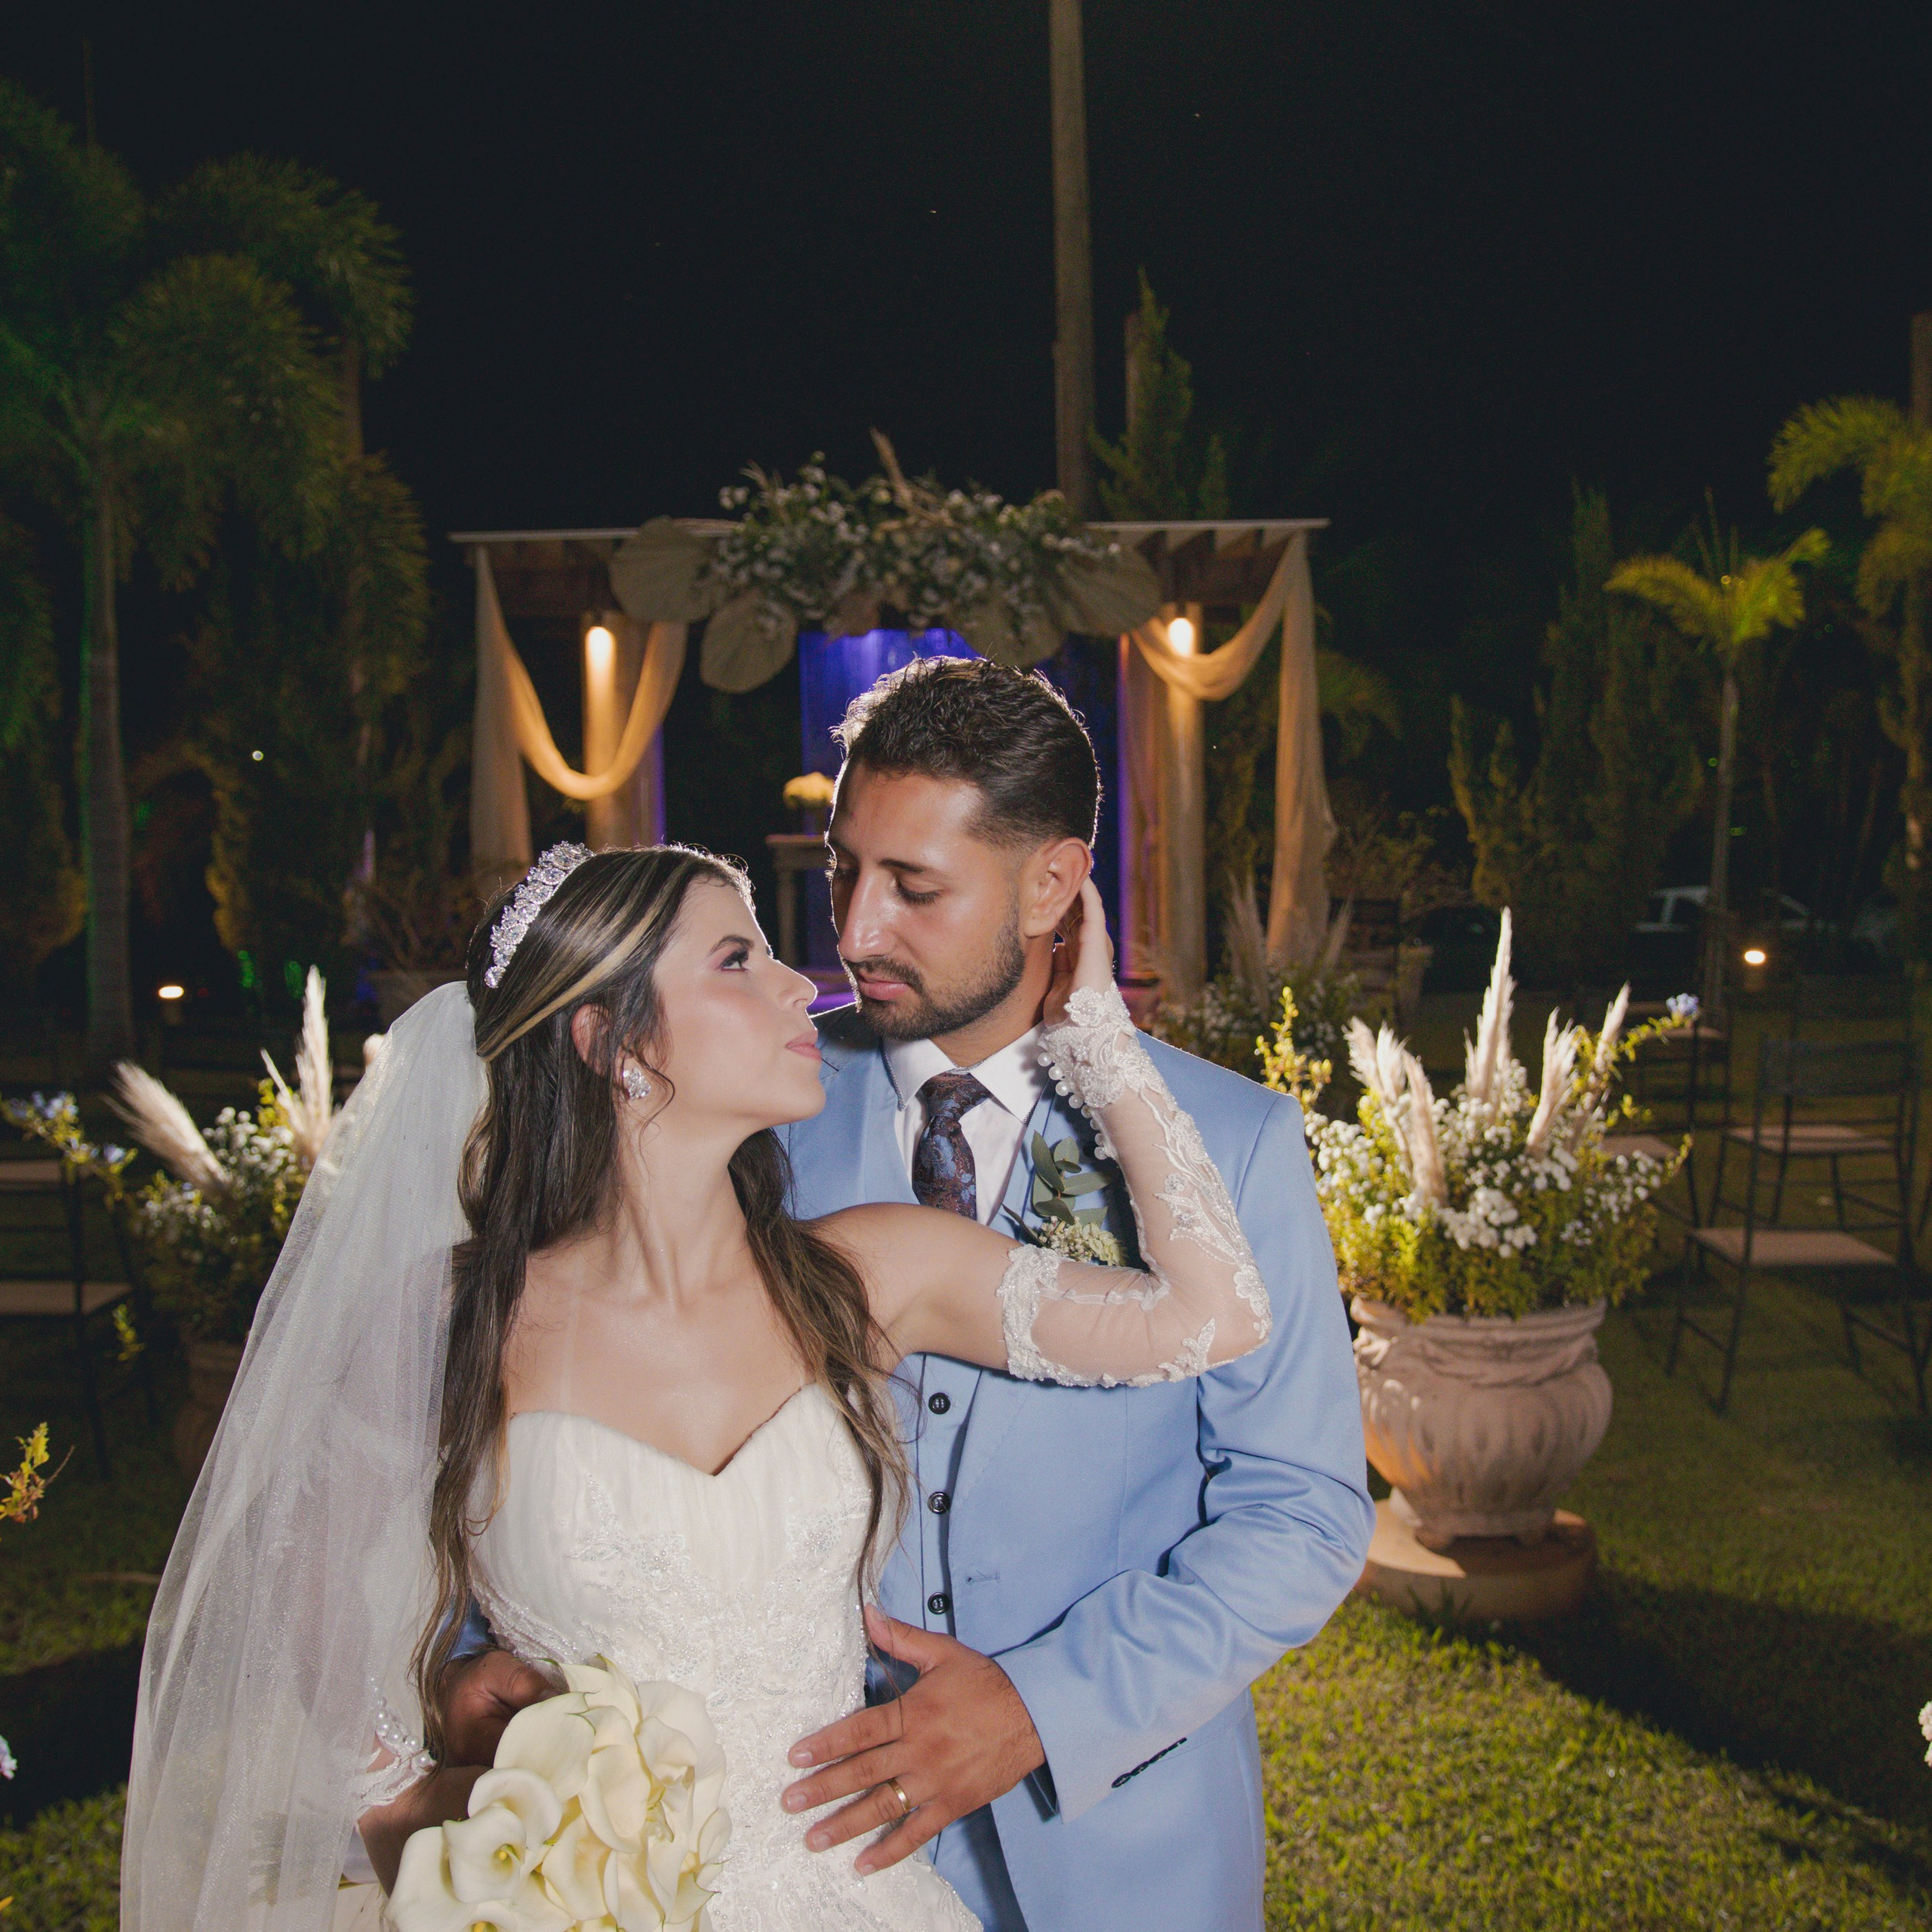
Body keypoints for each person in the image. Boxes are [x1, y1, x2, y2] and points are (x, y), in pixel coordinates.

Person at [122, 831, 1276, 1932]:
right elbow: (290, 1610)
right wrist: (426, 1816)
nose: (801, 990)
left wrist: (1098, 1038)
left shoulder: (873, 1274)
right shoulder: (453, 1317)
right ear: (612, 1044)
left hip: (859, 1899)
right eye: (739, 961)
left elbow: (1212, 1316)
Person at [444, 660, 1375, 1932]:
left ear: (1051, 884)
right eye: (841, 872)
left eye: (914, 889)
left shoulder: (1234, 1143)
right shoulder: (740, 1100)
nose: (854, 932)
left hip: (1113, 1858)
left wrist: (1043, 1706)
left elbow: (1302, 1511)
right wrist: (481, 1668)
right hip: (740, 1849)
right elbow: (536, 1402)